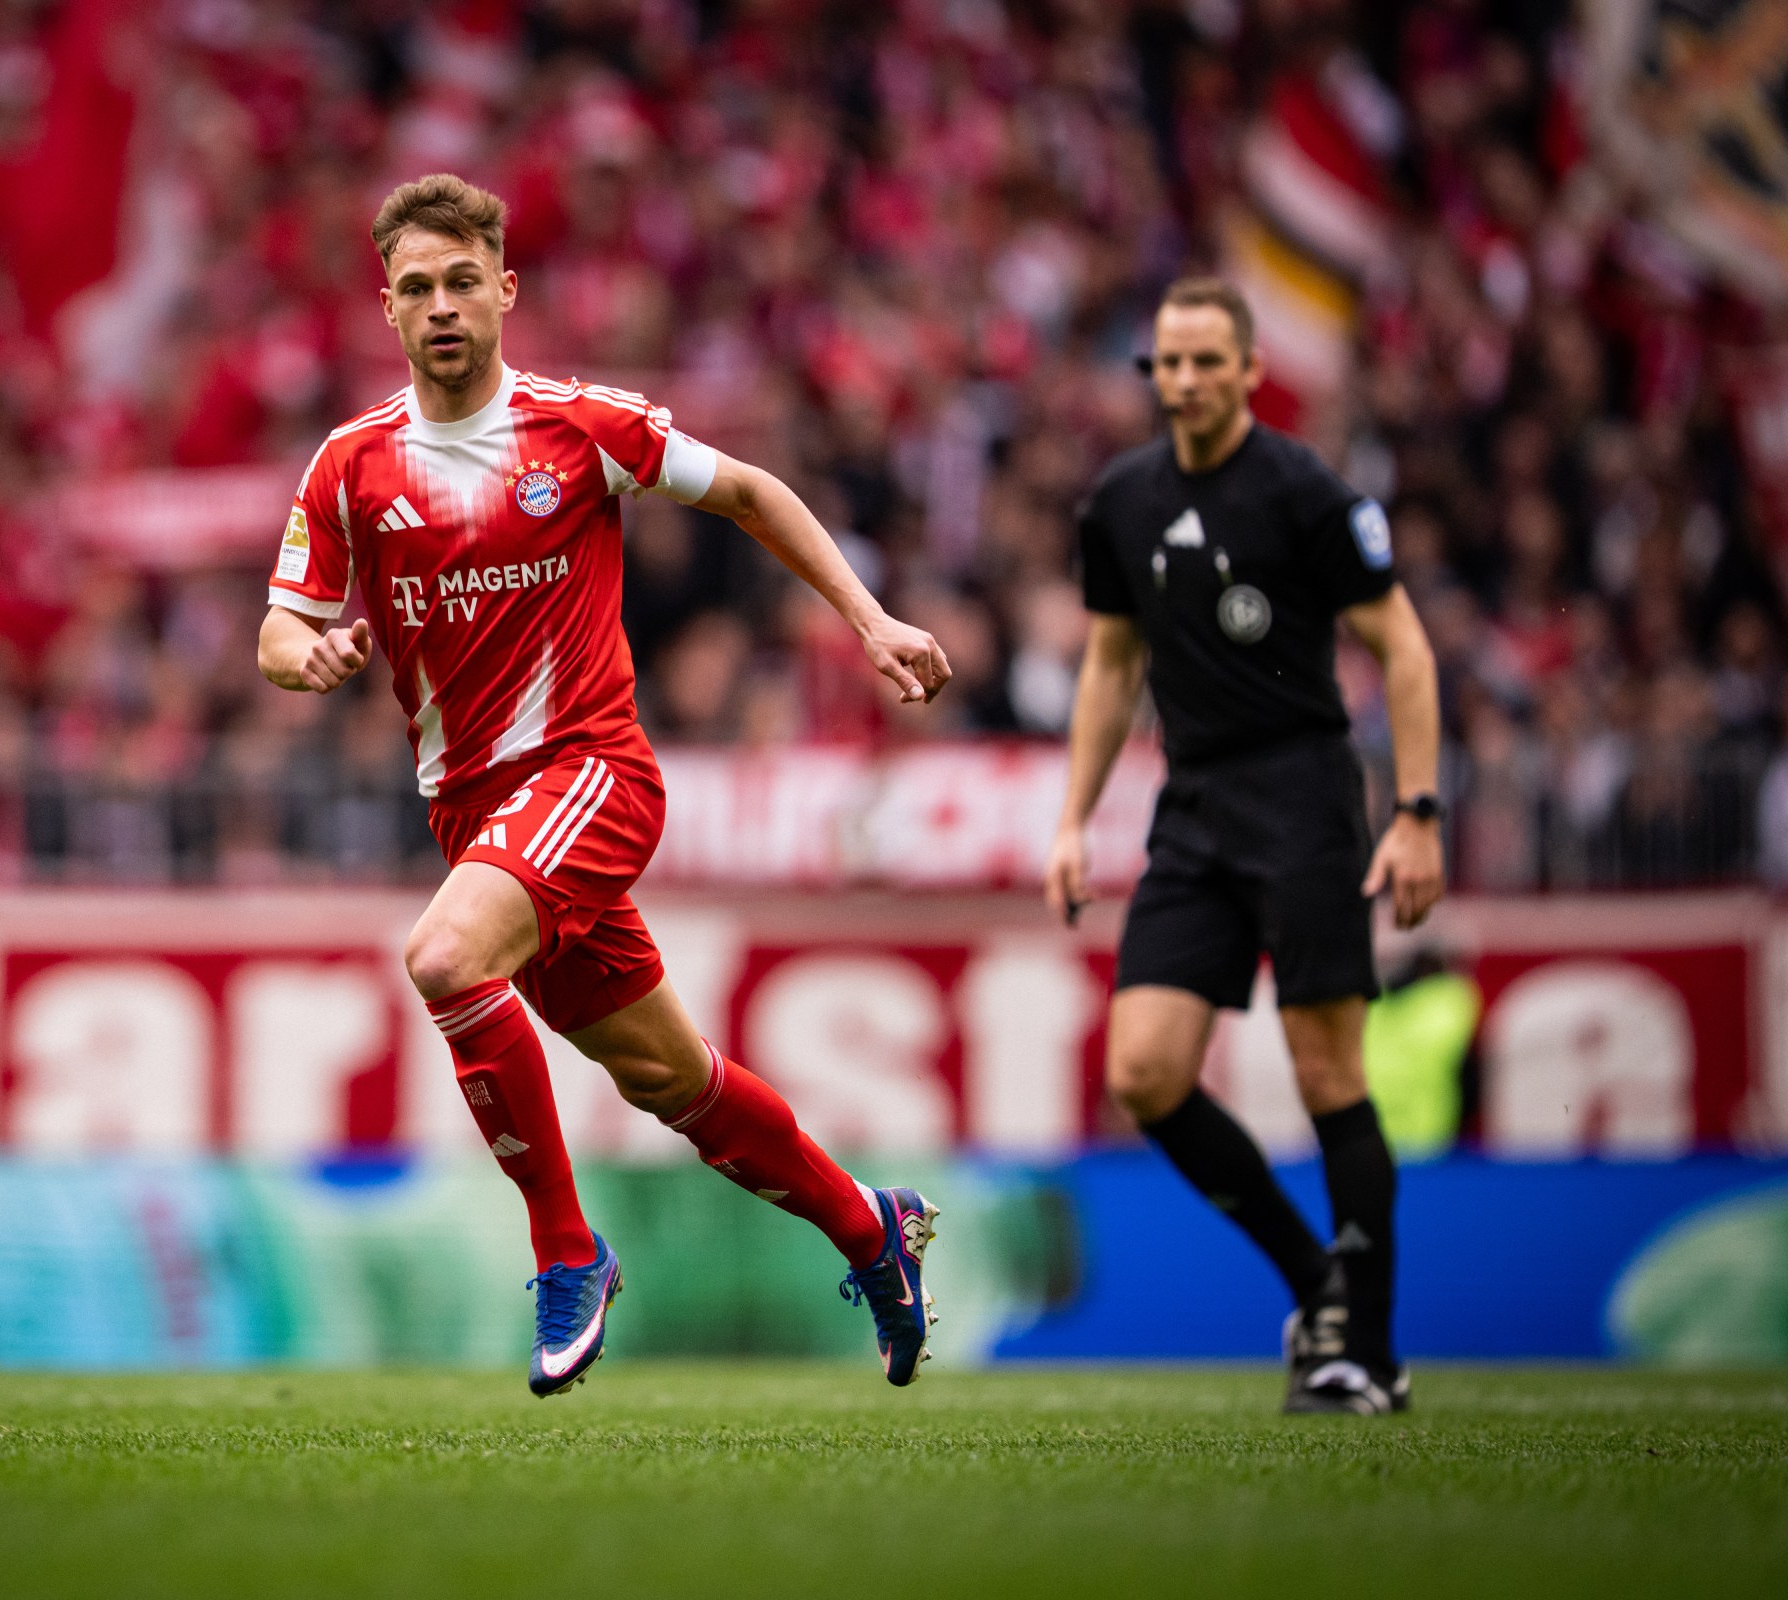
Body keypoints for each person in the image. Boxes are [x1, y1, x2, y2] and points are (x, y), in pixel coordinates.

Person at [257, 174, 953, 1395]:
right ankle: (871, 1232)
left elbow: (746, 491)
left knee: (441, 959)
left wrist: (870, 617)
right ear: (388, 310)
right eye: (416, 289)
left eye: (463, 282)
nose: (442, 308)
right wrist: (307, 655)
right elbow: (278, 622)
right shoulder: (351, 465)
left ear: (505, 291)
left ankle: (568, 1254)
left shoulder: (579, 426)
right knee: (673, 1081)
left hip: (591, 773)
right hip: (477, 820)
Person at [1043, 276, 1444, 1415]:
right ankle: (1313, 1279)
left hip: (1308, 799)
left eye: (1207, 361)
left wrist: (1418, 813)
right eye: (1167, 362)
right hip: (1196, 809)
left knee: (1329, 1075)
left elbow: (1403, 653)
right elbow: (1114, 664)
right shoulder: (1119, 499)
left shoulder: (1305, 490)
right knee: (1144, 1071)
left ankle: (1365, 1346)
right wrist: (1072, 818)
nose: (1183, 381)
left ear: (1250, 370)